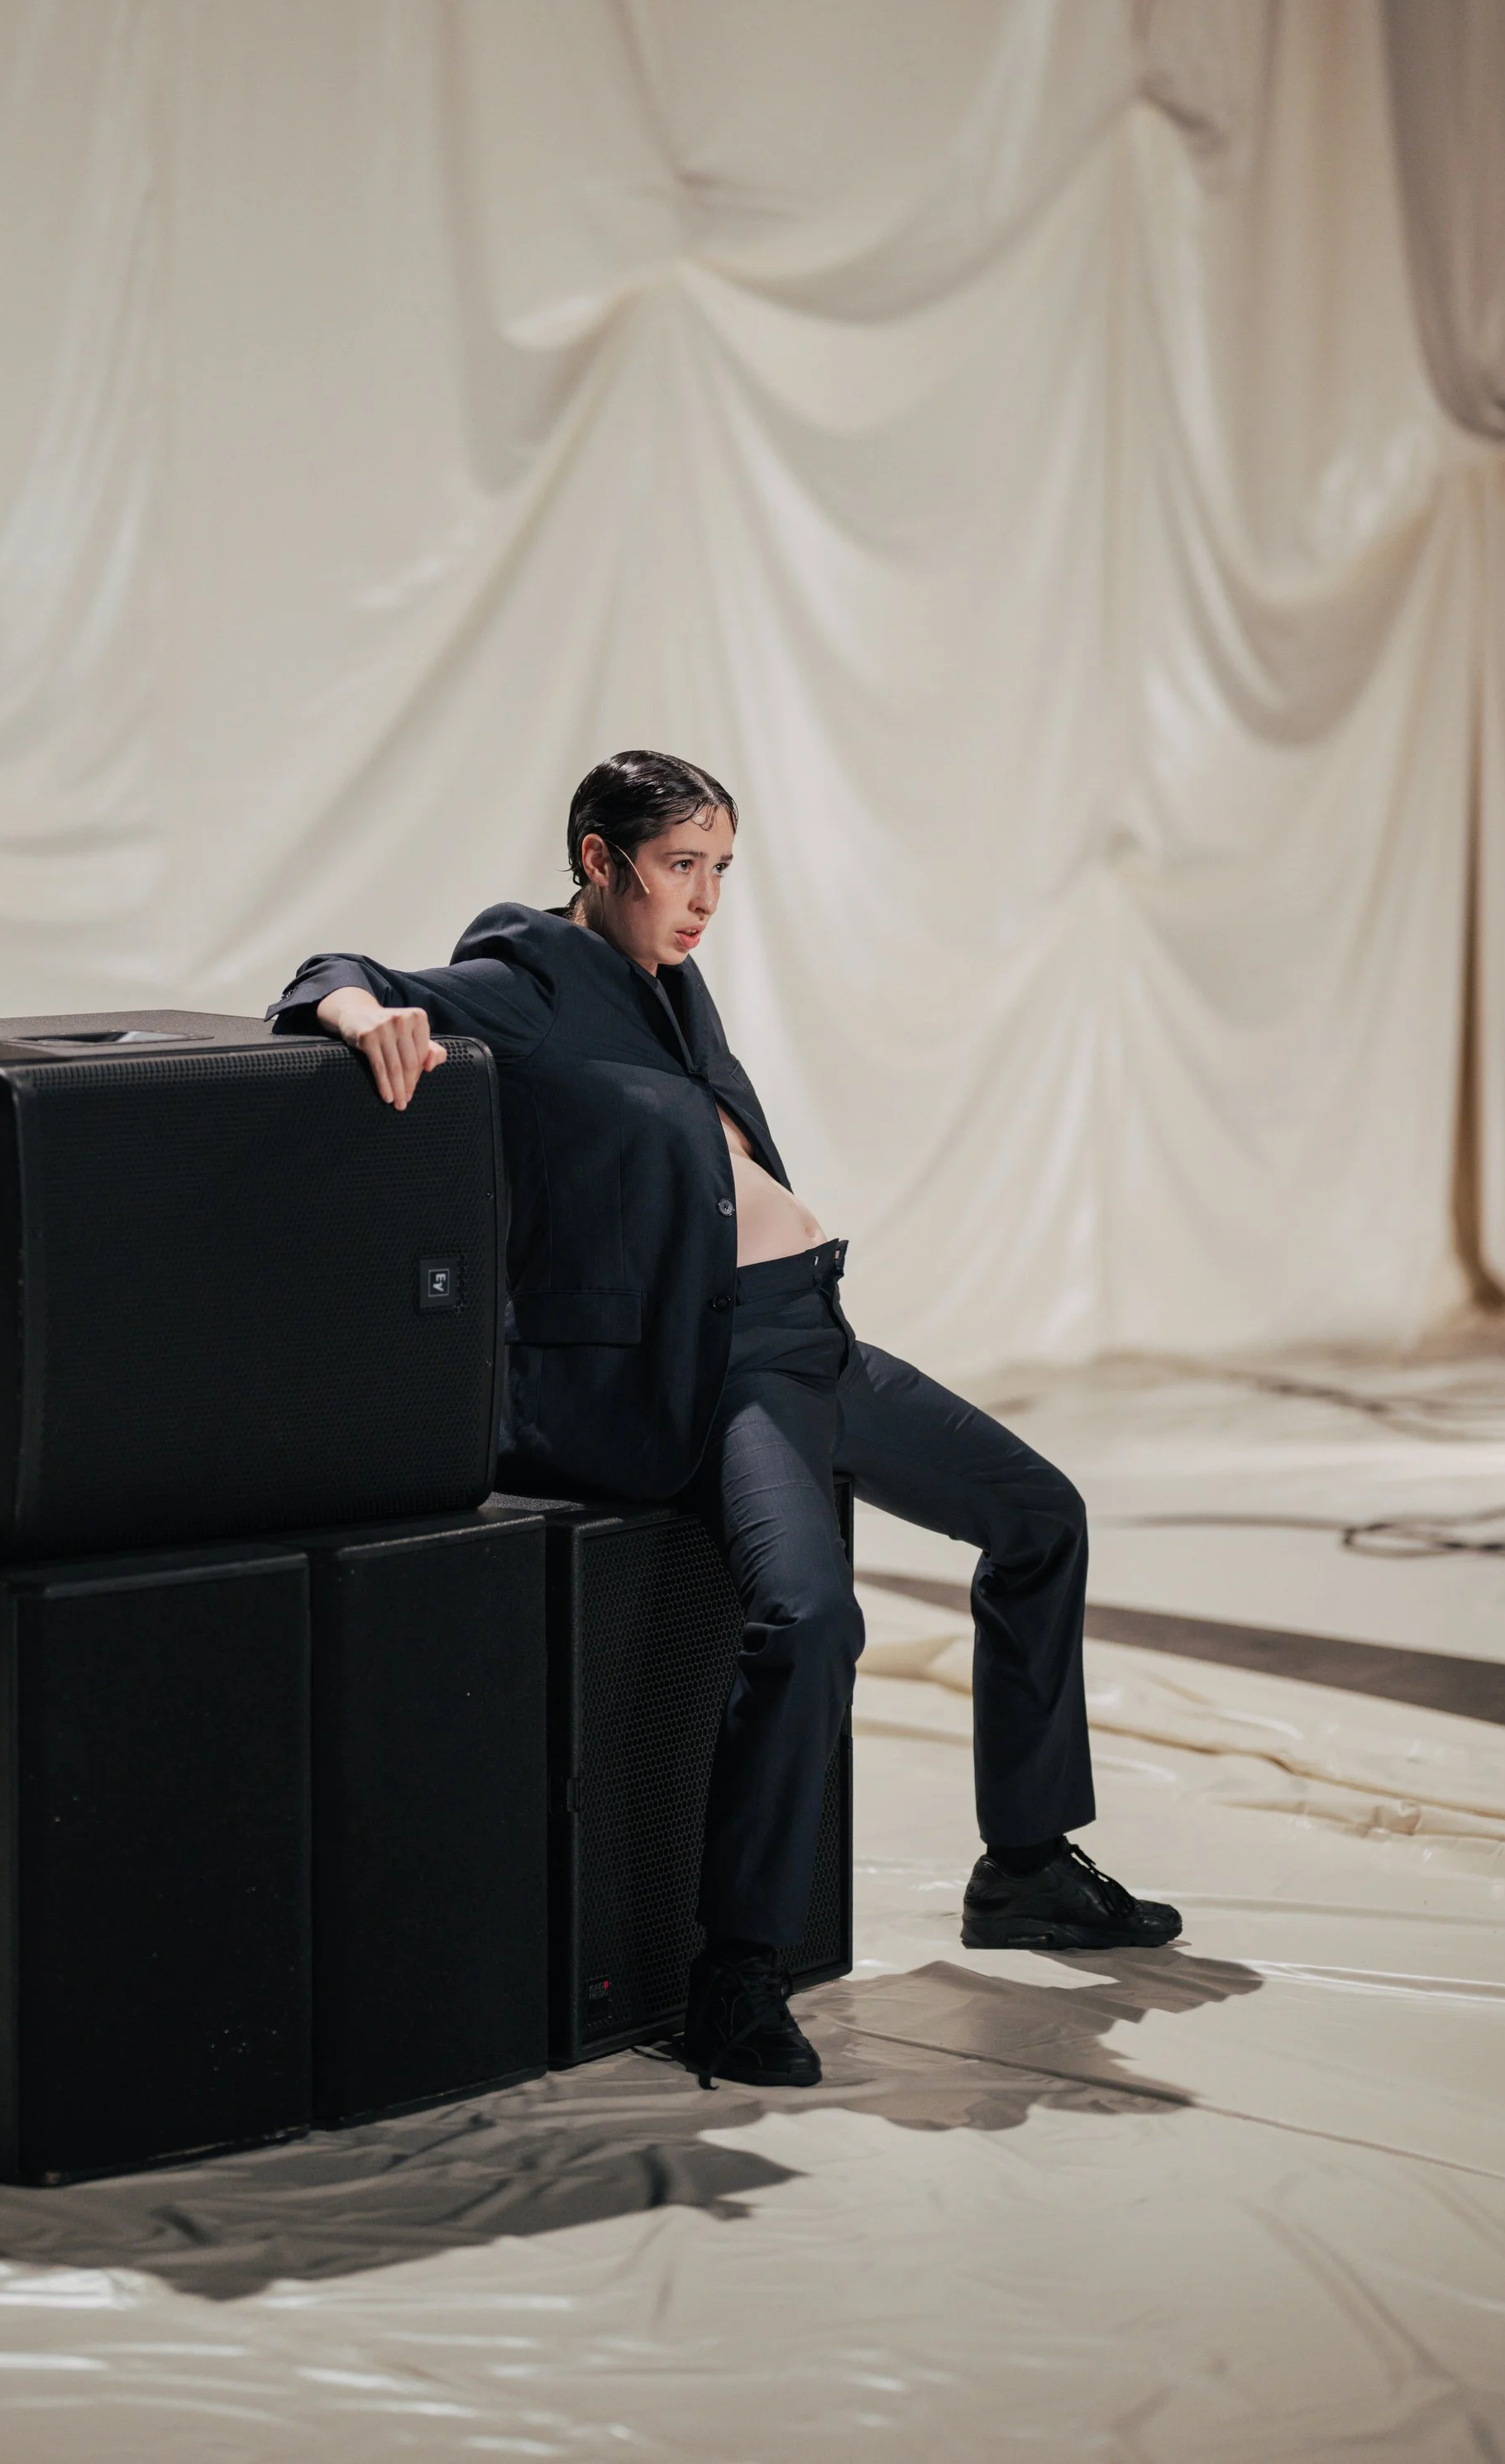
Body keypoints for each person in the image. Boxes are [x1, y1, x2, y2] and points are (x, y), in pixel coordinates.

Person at [268, 748, 1180, 2088]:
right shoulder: (528, 980)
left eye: (721, 870)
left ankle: (1027, 1866)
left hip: (810, 1335)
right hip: (720, 1363)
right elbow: (326, 970)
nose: (704, 898)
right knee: (810, 1617)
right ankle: (736, 1971)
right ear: (600, 860)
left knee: (1040, 1516)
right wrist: (359, 1014)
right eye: (679, 865)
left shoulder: (668, 987)